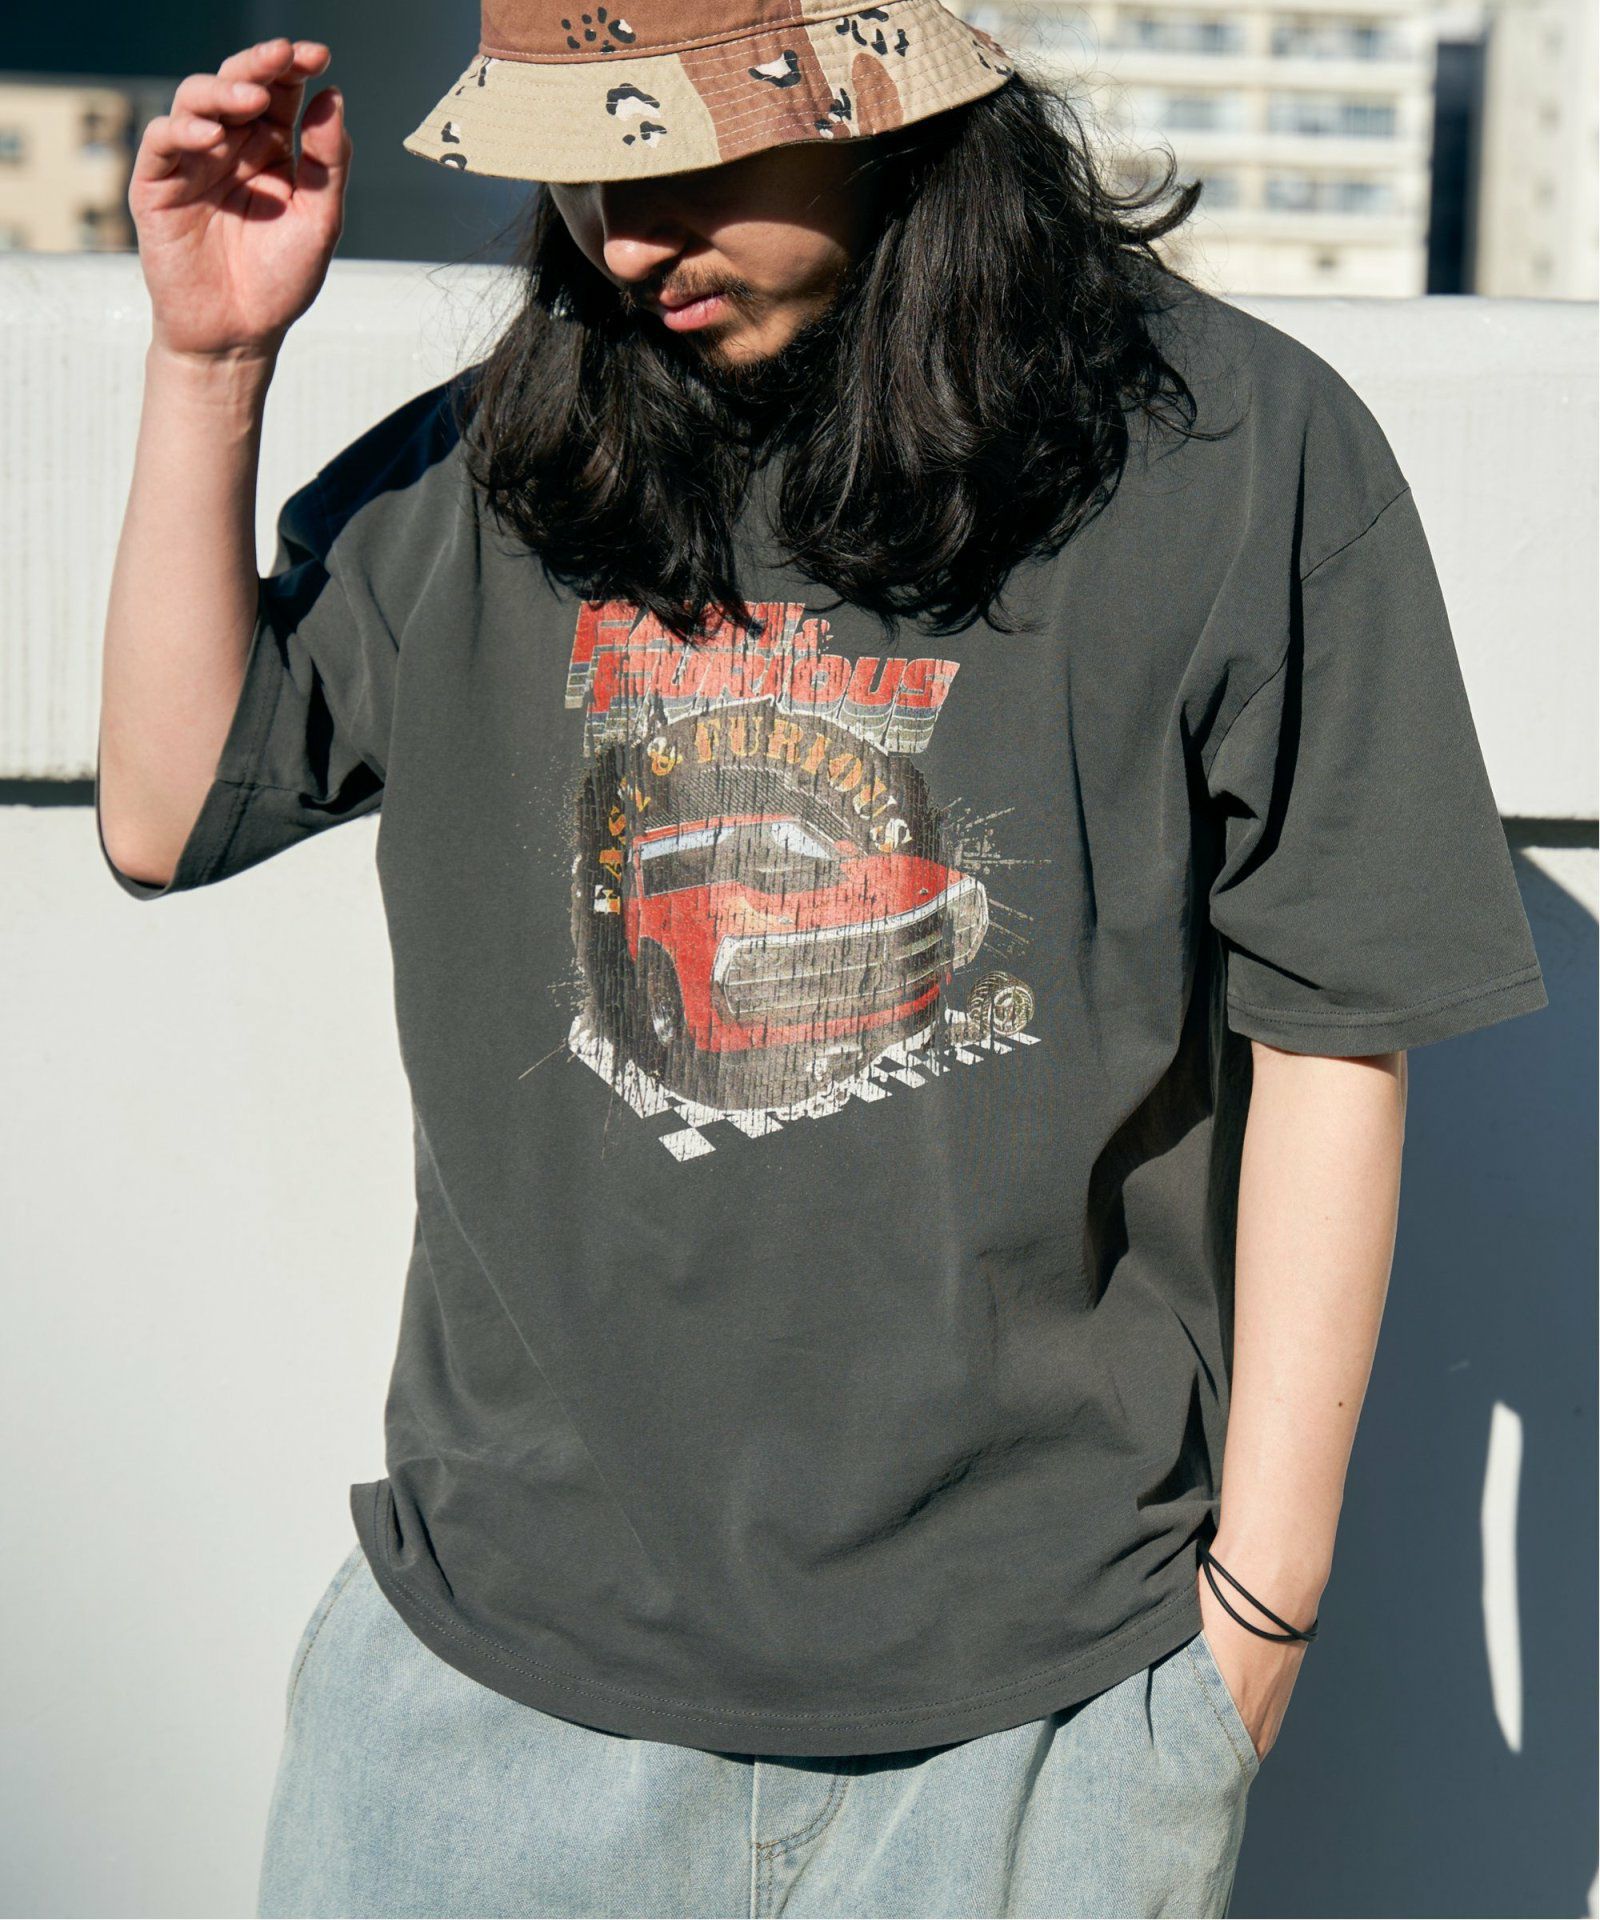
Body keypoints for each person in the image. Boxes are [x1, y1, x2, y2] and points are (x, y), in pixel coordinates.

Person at [95, 7, 1549, 1916]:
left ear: (887, 104)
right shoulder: (512, 456)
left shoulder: (1230, 453)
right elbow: (168, 810)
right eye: (584, 167)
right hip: (491, 1702)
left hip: (1032, 1717)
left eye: (681, 157)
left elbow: (1338, 1039)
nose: (624, 237)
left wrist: (1253, 1625)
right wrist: (211, 362)